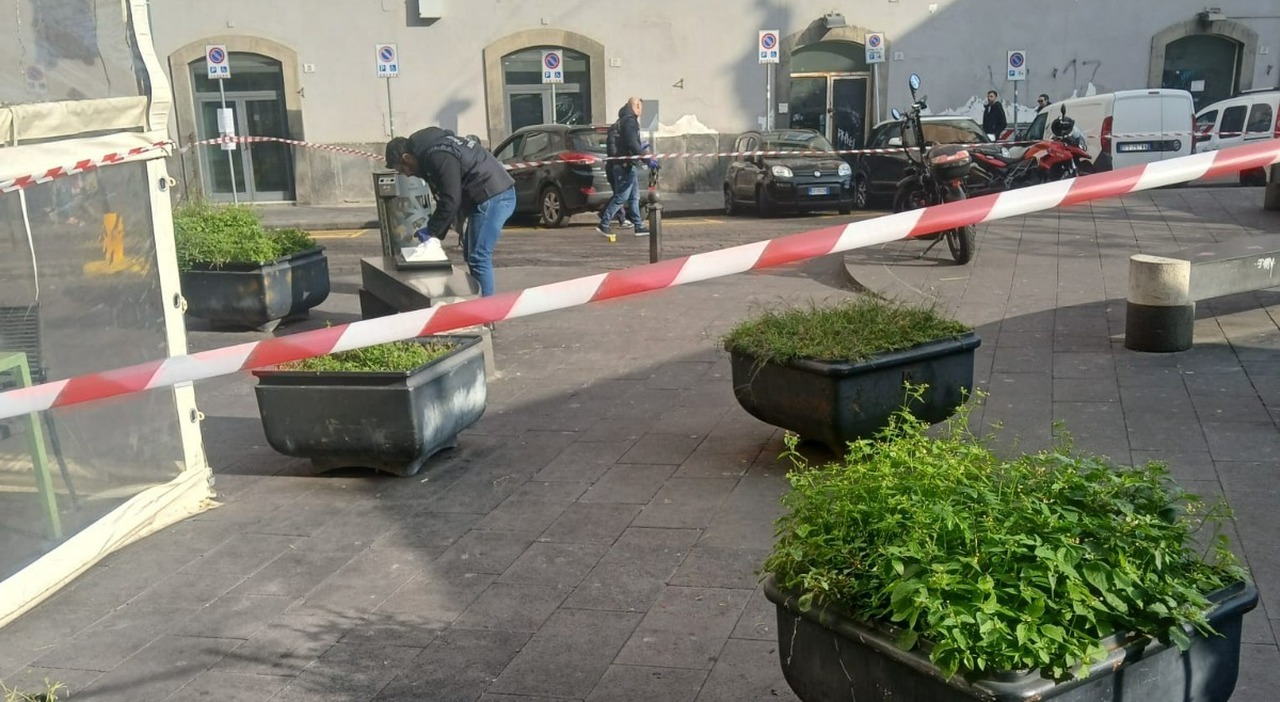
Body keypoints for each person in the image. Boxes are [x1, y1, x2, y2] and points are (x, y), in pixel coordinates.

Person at [385, 128, 516, 297]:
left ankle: (485, 314)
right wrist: (442, 228)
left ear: (407, 158)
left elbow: (451, 199)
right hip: (488, 194)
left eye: (403, 170)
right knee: (471, 254)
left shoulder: (437, 155)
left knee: (478, 257)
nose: (407, 175)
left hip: (494, 196)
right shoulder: (433, 150)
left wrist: (432, 231)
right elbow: (450, 196)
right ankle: (479, 303)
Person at [598, 97, 650, 238]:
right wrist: (646, 157)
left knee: (634, 197)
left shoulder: (623, 120)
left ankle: (639, 226)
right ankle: (604, 223)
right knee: (621, 197)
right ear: (637, 106)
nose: (642, 111)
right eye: (641, 108)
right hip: (624, 165)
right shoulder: (630, 121)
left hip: (626, 164)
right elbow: (632, 143)